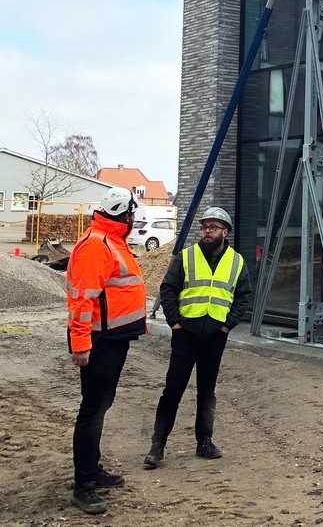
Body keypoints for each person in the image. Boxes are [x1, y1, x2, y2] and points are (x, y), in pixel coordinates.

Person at [144, 206, 251, 469]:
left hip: (215, 336)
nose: (206, 231)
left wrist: (227, 326)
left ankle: (205, 442)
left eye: (212, 227)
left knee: (207, 392)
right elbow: (168, 289)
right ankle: (157, 446)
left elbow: (243, 296)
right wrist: (176, 323)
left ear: (225, 232)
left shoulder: (236, 262)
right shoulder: (186, 257)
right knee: (173, 390)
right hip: (186, 335)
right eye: (205, 227)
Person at [66, 186, 146, 515]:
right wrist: (81, 343)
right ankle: (83, 485)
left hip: (113, 338)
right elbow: (82, 299)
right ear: (120, 214)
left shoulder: (111, 240)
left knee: (101, 405)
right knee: (93, 409)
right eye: (130, 214)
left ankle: (92, 471)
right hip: (100, 342)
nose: (132, 219)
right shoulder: (97, 245)